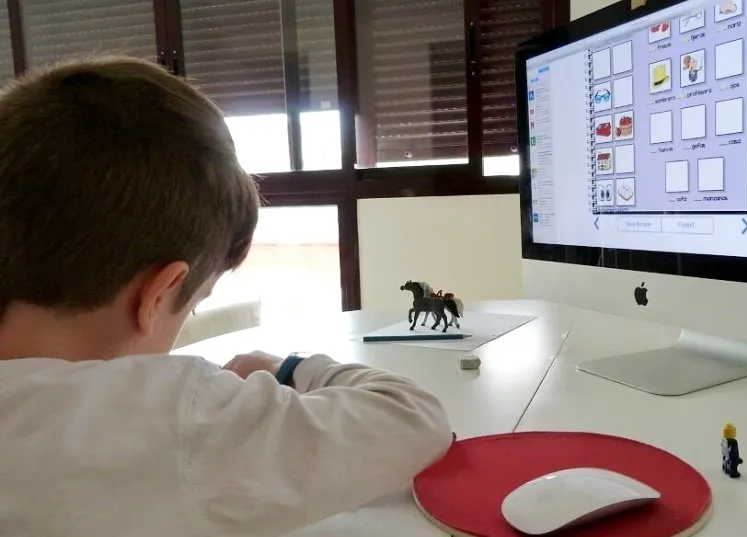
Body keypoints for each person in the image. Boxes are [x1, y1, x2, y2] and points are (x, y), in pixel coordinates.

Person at [0, 56, 453, 536]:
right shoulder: (168, 415)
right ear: (156, 294)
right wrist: (288, 368)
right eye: (192, 304)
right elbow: (415, 420)